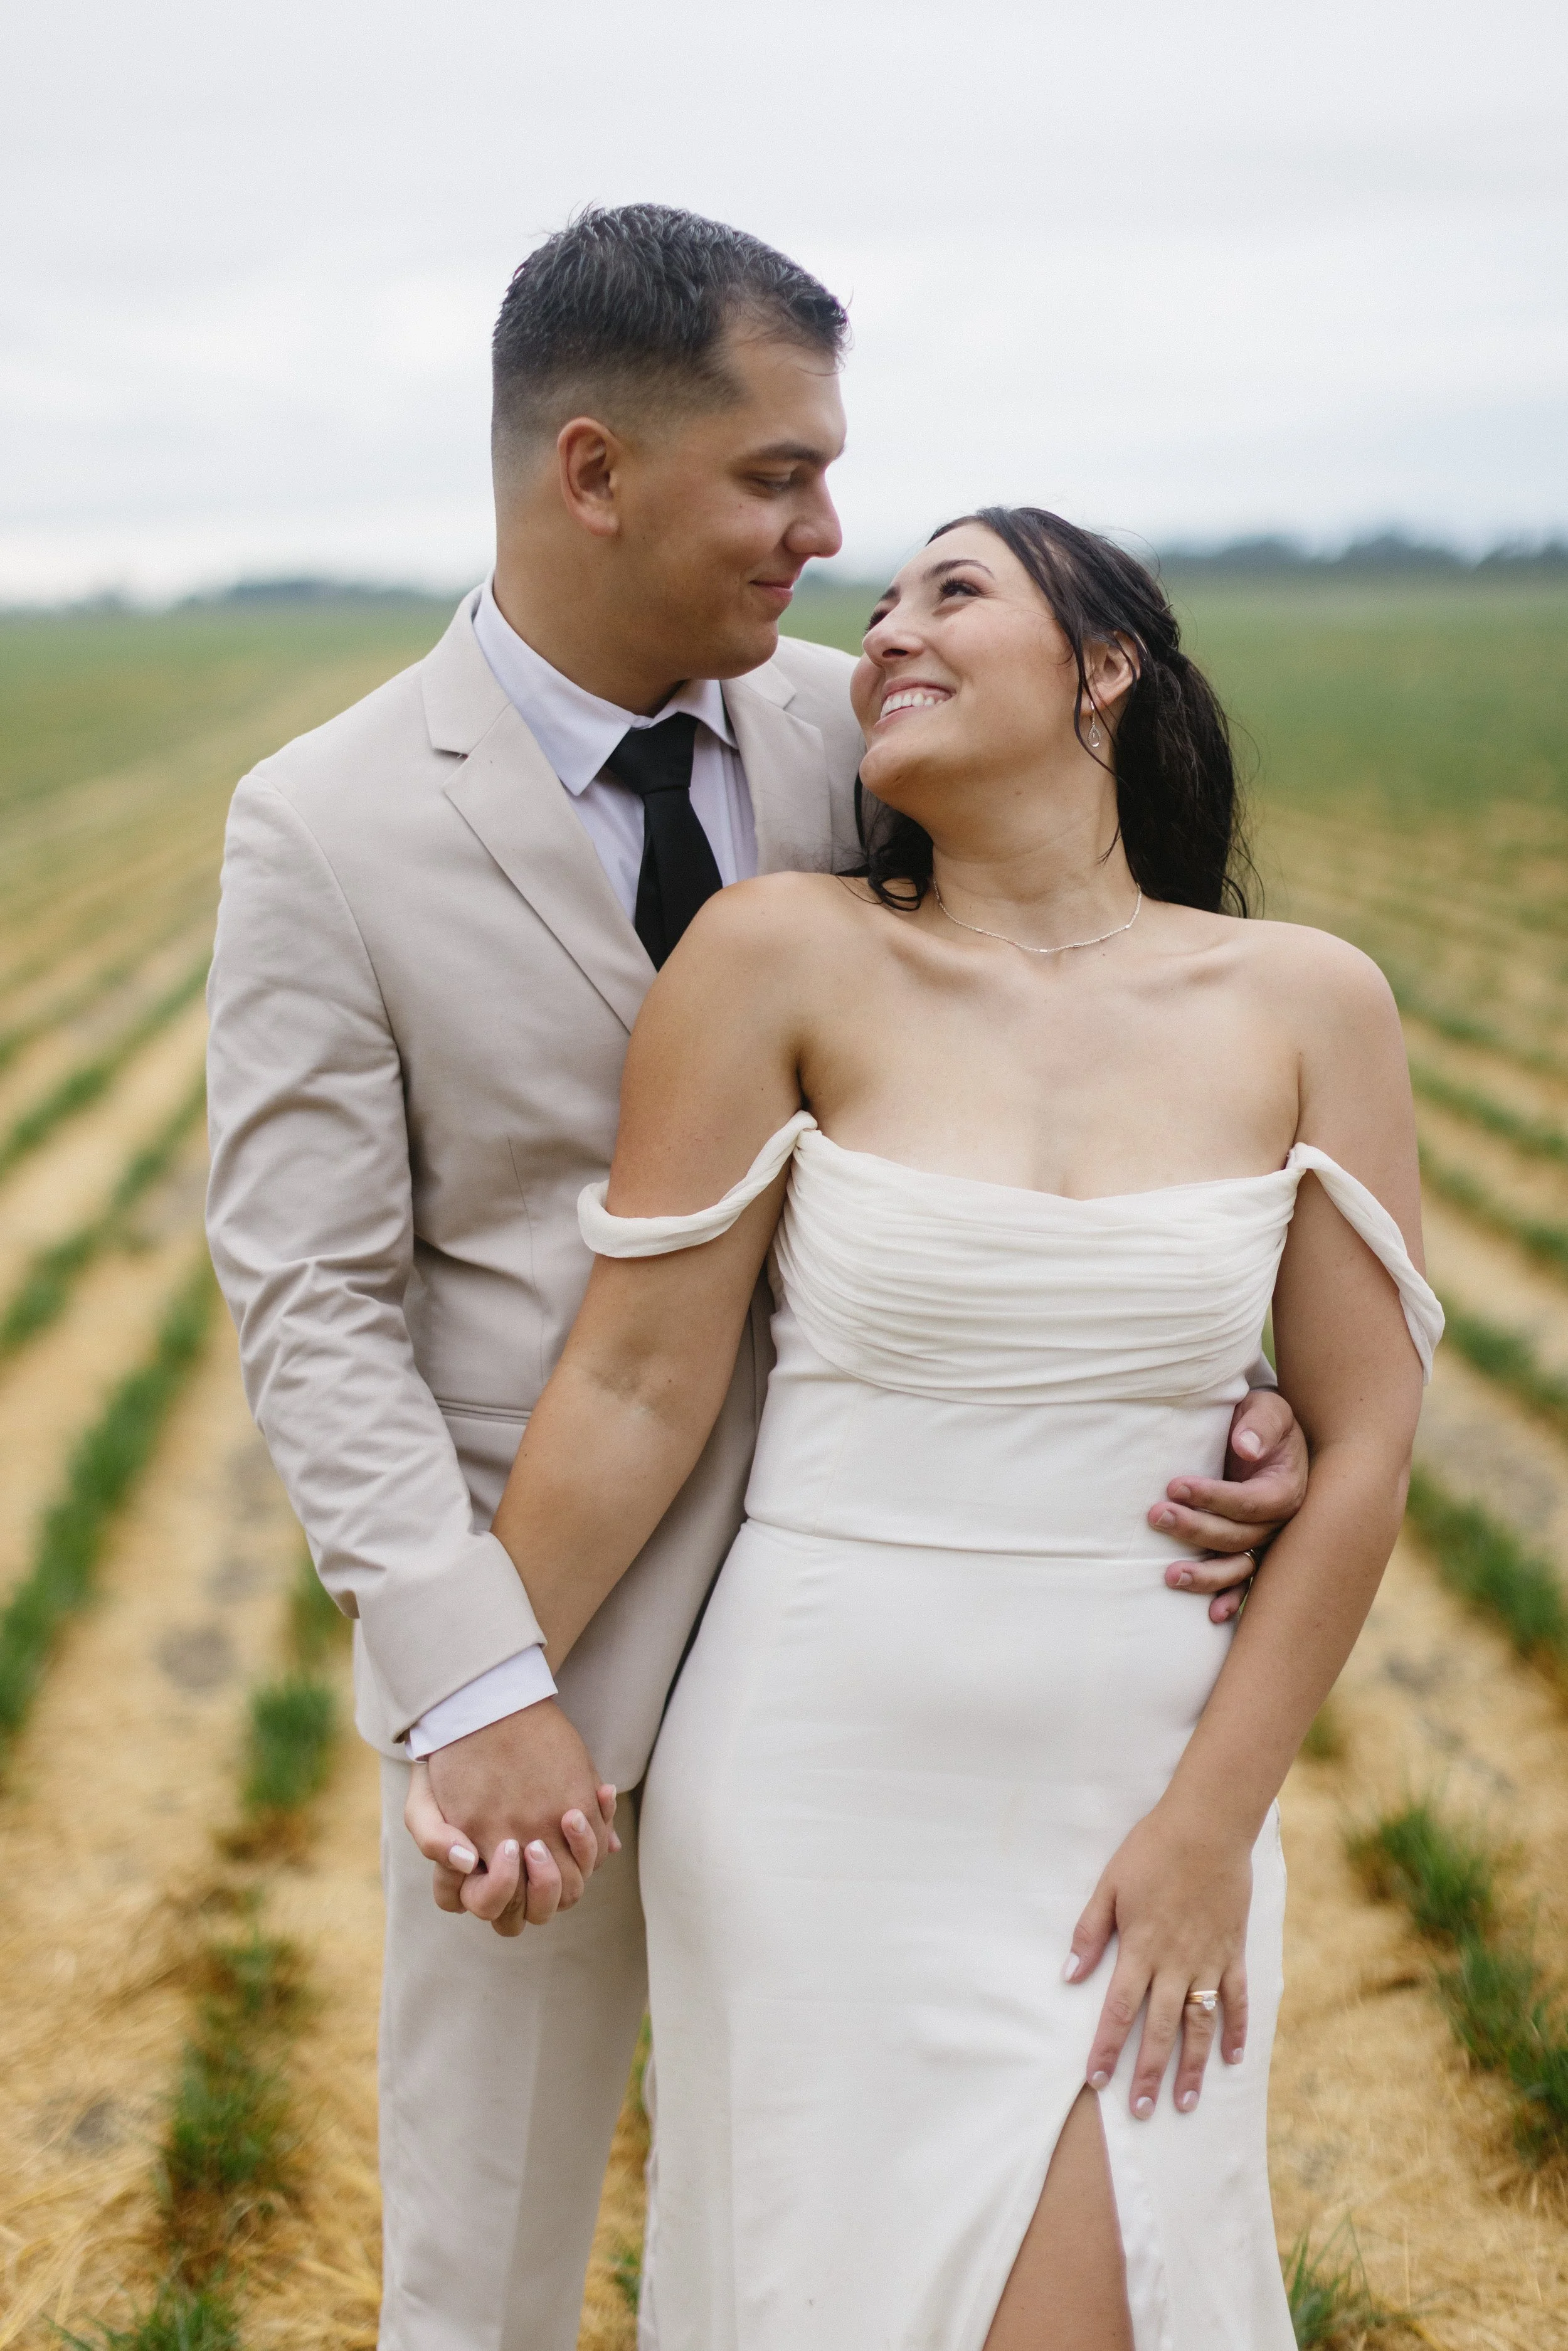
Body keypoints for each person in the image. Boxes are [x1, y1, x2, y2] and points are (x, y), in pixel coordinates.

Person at [206, 207, 1306, 2351]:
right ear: (591, 469)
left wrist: (1213, 1376)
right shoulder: (320, 824)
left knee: (858, 2239)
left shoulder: (871, 727)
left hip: (893, 1651)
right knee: (491, 2271)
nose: (826, 530)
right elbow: (315, 1303)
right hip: (554, 1655)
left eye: (829, 471)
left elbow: (1101, 1049)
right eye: (775, 476)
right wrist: (474, 1683)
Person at [421, 505, 1440, 2348]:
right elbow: (636, 1380)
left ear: (1106, 663)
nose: (883, 630)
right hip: (817, 1777)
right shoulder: (778, 954)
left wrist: (1212, 1826)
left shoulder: (1307, 1001)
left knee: (1108, 2290)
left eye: (949, 593)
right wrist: (477, 1693)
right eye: (872, 608)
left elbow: (1365, 1441)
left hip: (1144, 1769)